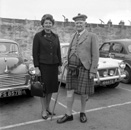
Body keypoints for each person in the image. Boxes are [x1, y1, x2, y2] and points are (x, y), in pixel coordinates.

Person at [57, 13, 99, 123]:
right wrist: (66, 59)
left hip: (84, 68)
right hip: (71, 68)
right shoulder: (74, 36)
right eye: (77, 23)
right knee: (69, 92)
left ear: (85, 24)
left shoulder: (91, 36)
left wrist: (93, 70)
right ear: (75, 25)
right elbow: (71, 50)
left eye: (81, 23)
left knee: (84, 93)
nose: (78, 24)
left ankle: (83, 112)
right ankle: (68, 114)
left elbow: (95, 55)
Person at [32, 14, 62, 120]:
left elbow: (58, 51)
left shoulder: (55, 36)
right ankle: (43, 110)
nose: (48, 25)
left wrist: (60, 65)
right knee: (43, 89)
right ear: (43, 24)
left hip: (53, 66)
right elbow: (35, 53)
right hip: (43, 66)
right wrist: (36, 67)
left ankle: (48, 107)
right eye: (46, 23)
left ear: (52, 24)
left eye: (50, 23)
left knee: (51, 89)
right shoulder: (38, 36)